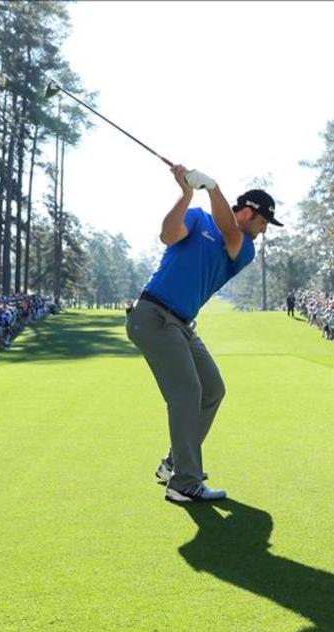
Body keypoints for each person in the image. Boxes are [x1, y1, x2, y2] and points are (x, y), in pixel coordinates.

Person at [126, 163, 279, 504]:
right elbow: (168, 235)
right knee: (186, 392)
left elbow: (230, 231)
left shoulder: (244, 246)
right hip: (152, 315)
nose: (265, 230)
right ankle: (185, 482)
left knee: (212, 389)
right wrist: (186, 194)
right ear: (249, 211)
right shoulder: (197, 217)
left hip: (180, 325)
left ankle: (173, 463)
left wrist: (212, 187)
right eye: (263, 221)